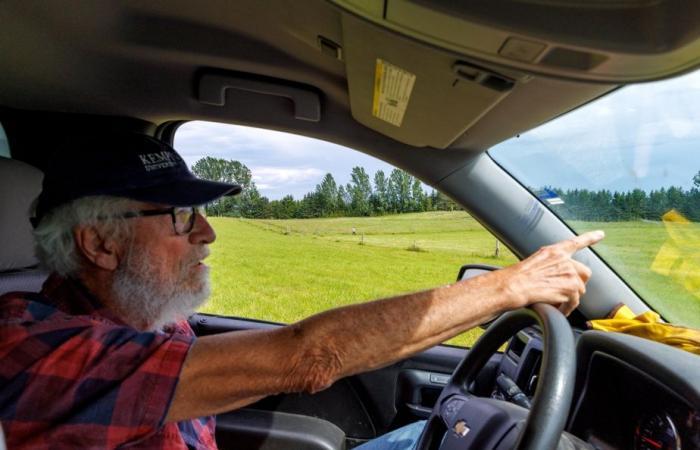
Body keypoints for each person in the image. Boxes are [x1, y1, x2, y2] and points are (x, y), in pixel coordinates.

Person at [0, 132, 603, 449]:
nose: (207, 234)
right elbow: (309, 355)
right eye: (181, 217)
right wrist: (509, 286)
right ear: (99, 246)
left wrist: (499, 297)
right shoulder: (34, 351)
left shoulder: (145, 315)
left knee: (435, 434)